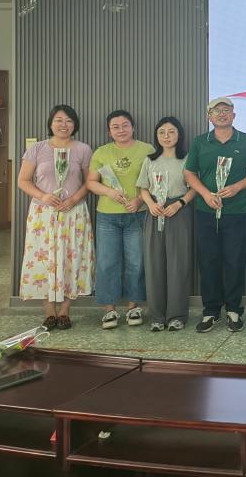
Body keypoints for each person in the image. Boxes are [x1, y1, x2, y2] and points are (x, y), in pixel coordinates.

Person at [183, 97, 246, 333]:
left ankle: (234, 309)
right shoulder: (200, 142)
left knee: (235, 261)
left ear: (234, 115)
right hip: (206, 210)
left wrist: (237, 187)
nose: (222, 114)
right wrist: (205, 194)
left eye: (226, 110)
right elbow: (189, 173)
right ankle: (210, 311)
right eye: (216, 111)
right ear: (209, 117)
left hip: (236, 211)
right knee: (208, 261)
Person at [17, 105, 94, 330]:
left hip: (73, 212)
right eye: (59, 120)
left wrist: (74, 199)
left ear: (75, 125)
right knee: (45, 259)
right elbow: (23, 181)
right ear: (50, 123)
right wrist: (44, 196)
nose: (63, 124)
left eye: (69, 120)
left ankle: (65, 310)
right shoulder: (37, 149)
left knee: (71, 258)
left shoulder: (83, 149)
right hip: (43, 214)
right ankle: (49, 310)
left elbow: (90, 182)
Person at [86, 110, 153, 330]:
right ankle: (110, 310)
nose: (121, 130)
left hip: (138, 214)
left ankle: (134, 307)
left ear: (133, 127)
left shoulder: (147, 150)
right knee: (107, 262)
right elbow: (91, 182)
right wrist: (109, 192)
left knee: (137, 261)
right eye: (115, 127)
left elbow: (155, 182)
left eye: (125, 125)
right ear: (109, 131)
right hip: (107, 216)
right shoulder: (101, 152)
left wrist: (139, 201)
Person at [136, 117, 196, 332]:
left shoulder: (187, 159)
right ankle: (156, 316)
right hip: (155, 212)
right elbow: (143, 187)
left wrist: (180, 204)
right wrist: (151, 204)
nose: (166, 136)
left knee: (178, 265)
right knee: (154, 265)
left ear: (179, 134)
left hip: (178, 212)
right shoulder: (150, 160)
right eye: (162, 132)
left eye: (171, 132)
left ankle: (177, 315)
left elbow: (194, 187)